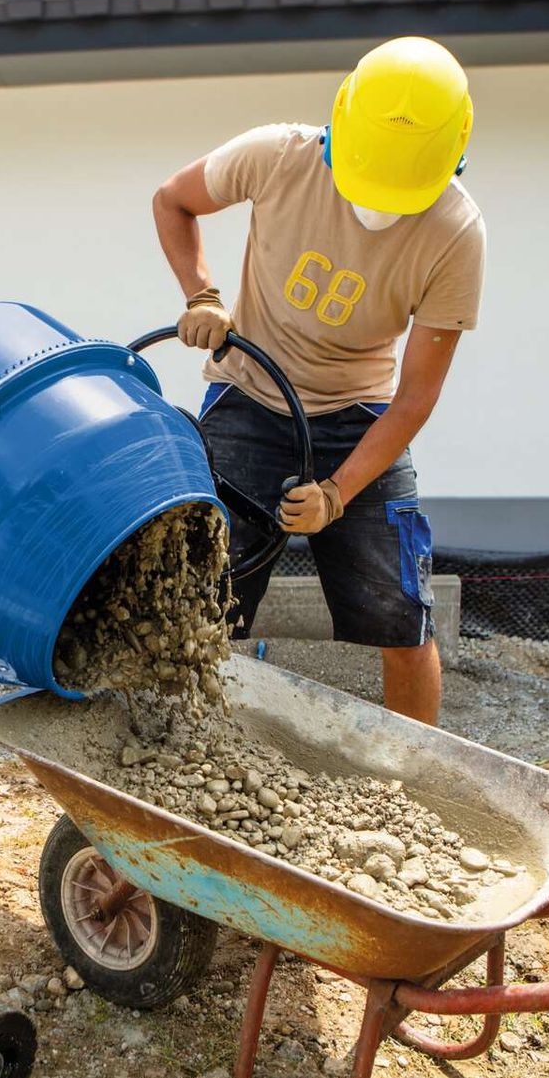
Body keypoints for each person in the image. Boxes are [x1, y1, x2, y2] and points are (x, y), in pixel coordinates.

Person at [152, 36, 485, 725]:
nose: (379, 207)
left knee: (403, 619)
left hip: (361, 417)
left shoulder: (456, 232)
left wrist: (339, 491)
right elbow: (172, 200)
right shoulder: (278, 155)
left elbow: (416, 397)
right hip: (248, 395)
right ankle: (177, 755)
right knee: (197, 604)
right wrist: (202, 294)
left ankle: (413, 773)